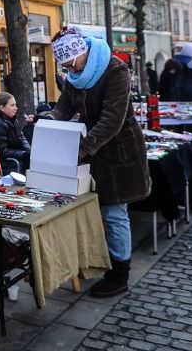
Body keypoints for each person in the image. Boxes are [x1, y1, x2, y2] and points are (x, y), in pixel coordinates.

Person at [42, 27, 151, 297]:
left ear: (82, 52)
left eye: (70, 62)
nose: (68, 68)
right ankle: (97, 259)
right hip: (90, 148)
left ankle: (119, 274)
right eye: (64, 64)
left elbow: (112, 119)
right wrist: (50, 121)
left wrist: (82, 148)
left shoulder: (115, 70)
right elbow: (64, 106)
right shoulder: (74, 76)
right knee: (93, 208)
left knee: (114, 213)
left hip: (118, 150)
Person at [0, 92, 32, 172]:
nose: (16, 108)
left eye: (15, 105)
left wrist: (29, 152)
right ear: (2, 107)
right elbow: (2, 151)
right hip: (9, 164)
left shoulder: (13, 119)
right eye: (12, 105)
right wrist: (23, 154)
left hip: (17, 159)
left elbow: (21, 137)